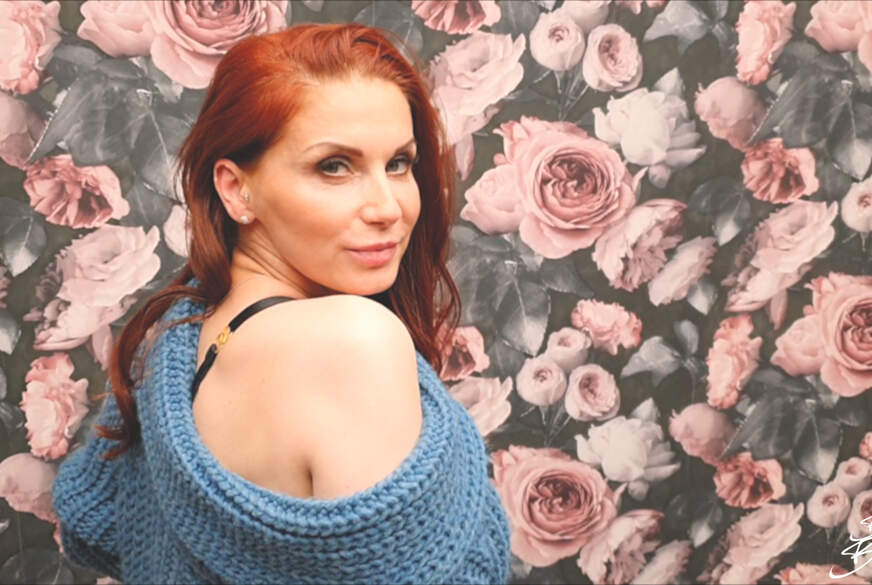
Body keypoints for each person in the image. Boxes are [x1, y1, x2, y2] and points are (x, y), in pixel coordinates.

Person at [51, 22, 512, 585]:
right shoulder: (353, 341)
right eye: (334, 166)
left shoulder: (182, 334)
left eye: (398, 163)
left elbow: (100, 520)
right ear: (236, 188)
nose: (388, 207)